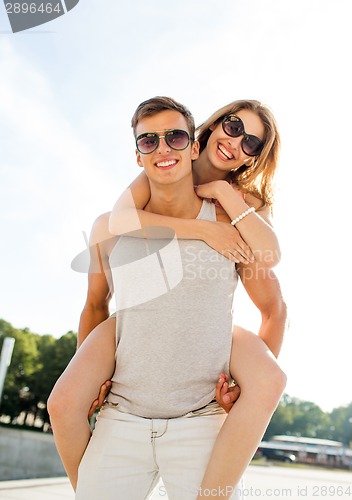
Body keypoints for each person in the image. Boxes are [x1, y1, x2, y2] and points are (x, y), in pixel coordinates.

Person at [48, 97, 287, 499]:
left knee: (269, 379)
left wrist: (224, 197)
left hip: (203, 368)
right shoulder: (159, 166)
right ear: (207, 131)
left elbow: (272, 270)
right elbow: (117, 222)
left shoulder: (241, 206)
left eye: (251, 144)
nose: (236, 142)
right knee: (64, 403)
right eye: (232, 127)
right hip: (129, 368)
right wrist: (202, 231)